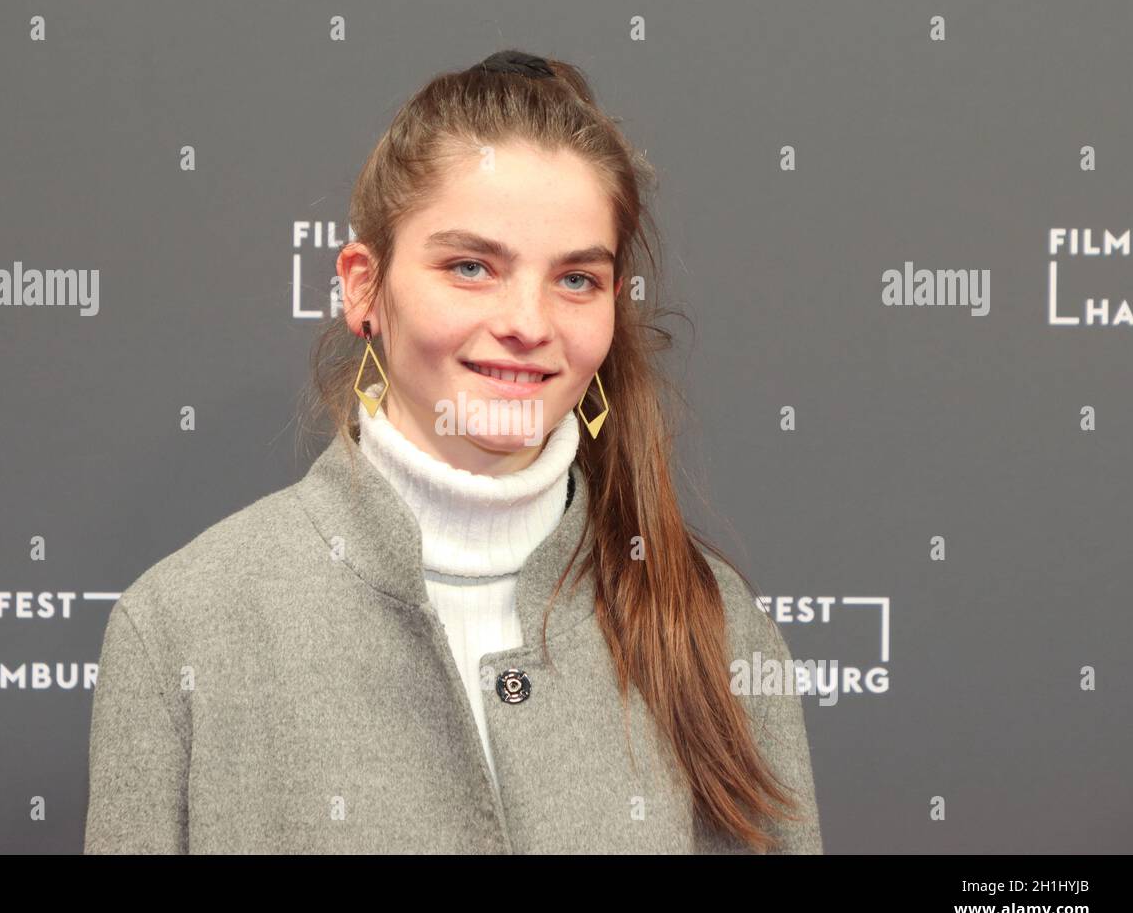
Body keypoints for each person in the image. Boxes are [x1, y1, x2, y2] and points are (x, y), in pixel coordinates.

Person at [83, 49, 823, 854]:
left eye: (576, 280)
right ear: (364, 287)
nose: (529, 323)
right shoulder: (184, 625)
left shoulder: (717, 629)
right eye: (471, 267)